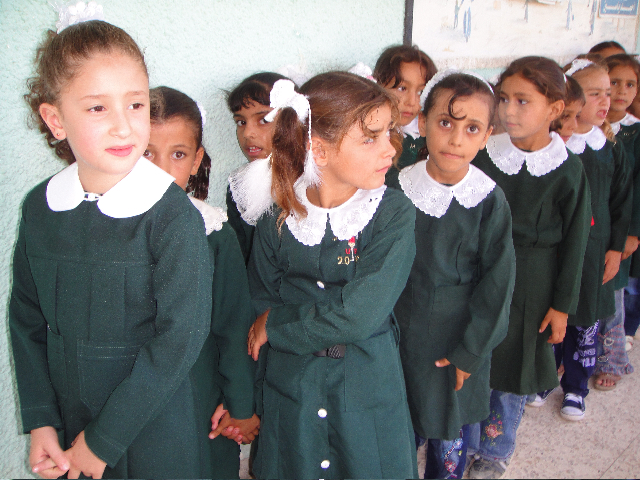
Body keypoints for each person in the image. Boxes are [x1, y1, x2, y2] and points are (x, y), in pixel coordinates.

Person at [12, 20, 215, 479]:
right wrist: (41, 420)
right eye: (98, 107)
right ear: (55, 120)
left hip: (152, 430)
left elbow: (179, 339)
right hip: (68, 428)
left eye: (136, 104)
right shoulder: (40, 209)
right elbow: (26, 318)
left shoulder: (170, 216)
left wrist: (103, 441)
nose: (124, 125)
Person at [238, 73, 418, 479]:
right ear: (318, 150)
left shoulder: (393, 213)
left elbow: (360, 313)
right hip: (292, 387)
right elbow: (260, 299)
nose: (390, 148)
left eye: (388, 132)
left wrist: (278, 324)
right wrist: (250, 398)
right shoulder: (278, 214)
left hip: (365, 384)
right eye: (370, 137)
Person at [469, 56, 591, 479]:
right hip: (480, 274)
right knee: (475, 355)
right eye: (504, 99)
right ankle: (462, 440)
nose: (508, 110)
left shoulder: (568, 169)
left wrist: (562, 306)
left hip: (533, 281)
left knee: (514, 366)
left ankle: (495, 448)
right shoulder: (484, 156)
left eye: (523, 101)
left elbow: (576, 244)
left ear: (555, 109)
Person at [394, 70, 516, 479]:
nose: (456, 138)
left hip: (458, 338)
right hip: (398, 334)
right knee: (398, 427)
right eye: (446, 122)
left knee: (449, 437)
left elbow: (497, 285)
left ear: (486, 136)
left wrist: (471, 351)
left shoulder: (488, 200)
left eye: (472, 128)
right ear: (423, 121)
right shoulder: (395, 189)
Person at [144, 85, 260, 475]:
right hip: (131, 398)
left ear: (195, 161)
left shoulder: (213, 231)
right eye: (146, 153)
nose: (160, 169)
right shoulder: (107, 228)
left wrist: (241, 406)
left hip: (199, 394)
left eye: (177, 155)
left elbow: (232, 325)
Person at [557, 58, 632, 415]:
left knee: (586, 317)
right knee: (554, 312)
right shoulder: (556, 147)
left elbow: (622, 203)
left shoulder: (610, 147)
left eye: (609, 92)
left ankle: (575, 385)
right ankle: (544, 378)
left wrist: (616, 249)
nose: (607, 100)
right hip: (558, 251)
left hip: (595, 250)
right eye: (594, 94)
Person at [226, 72, 290, 264]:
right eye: (241, 122)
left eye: (263, 120)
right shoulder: (239, 187)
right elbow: (241, 256)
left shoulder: (312, 180)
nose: (248, 133)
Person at [604, 54, 640, 352]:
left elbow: (637, 190)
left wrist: (632, 232)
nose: (621, 91)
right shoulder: (588, 128)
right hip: (594, 226)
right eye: (614, 82)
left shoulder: (635, 133)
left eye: (630, 84)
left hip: (622, 227)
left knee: (616, 289)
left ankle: (612, 356)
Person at [373, 44, 437, 188]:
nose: (412, 102)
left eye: (420, 92)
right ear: (379, 85)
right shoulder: (370, 136)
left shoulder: (426, 136)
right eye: (402, 88)